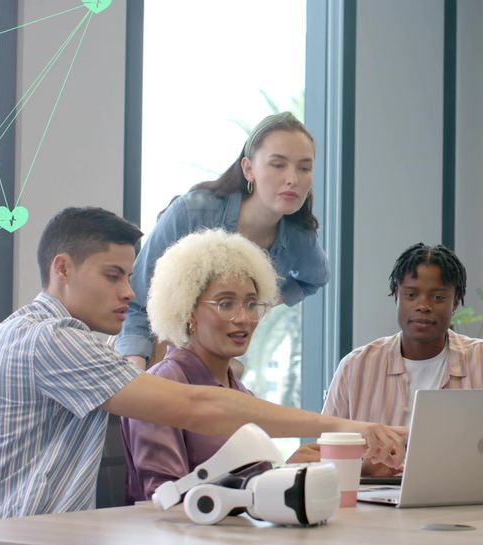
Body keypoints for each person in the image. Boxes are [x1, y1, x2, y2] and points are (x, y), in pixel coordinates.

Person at [0, 207, 404, 523]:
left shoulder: (50, 337)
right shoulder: (48, 339)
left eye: (251, 304)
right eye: (112, 276)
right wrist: (345, 427)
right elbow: (196, 408)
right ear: (62, 269)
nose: (128, 293)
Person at [116, 112, 327, 371]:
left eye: (304, 168)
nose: (293, 179)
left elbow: (315, 279)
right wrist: (135, 370)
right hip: (153, 354)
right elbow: (135, 301)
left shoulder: (299, 237)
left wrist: (262, 301)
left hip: (217, 362)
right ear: (248, 169)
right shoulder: (190, 213)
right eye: (278, 165)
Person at [321, 243, 483, 474]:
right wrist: (364, 468)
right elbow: (323, 455)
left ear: (456, 301)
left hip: (466, 491)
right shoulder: (356, 366)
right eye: (411, 295)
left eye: (438, 297)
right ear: (396, 296)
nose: (423, 306)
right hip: (375, 494)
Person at [123, 228, 296, 501]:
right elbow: (164, 497)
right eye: (226, 304)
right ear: (188, 311)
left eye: (252, 304)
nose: (243, 318)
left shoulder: (241, 392)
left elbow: (253, 487)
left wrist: (293, 469)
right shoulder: (161, 388)